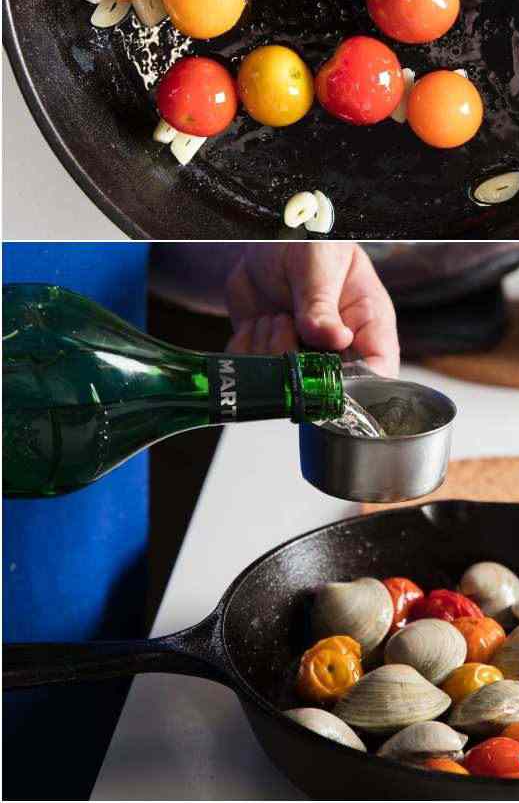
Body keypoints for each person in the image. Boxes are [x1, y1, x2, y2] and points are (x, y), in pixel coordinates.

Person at [2, 241, 398, 800]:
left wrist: (255, 252)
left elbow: (124, 211)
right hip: (46, 488)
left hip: (83, 529)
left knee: (78, 738)